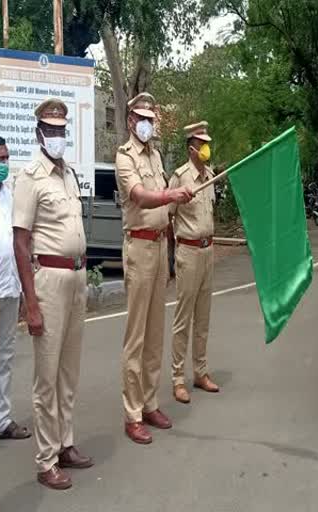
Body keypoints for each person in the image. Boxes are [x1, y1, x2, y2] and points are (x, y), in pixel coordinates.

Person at [12, 98, 92, 490]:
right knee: (46, 377)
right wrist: (31, 304)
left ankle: (65, 444)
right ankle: (45, 461)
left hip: (76, 280)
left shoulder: (69, 175)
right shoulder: (30, 177)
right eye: (52, 129)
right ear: (39, 132)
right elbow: (21, 242)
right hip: (48, 283)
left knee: (68, 373)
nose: (58, 135)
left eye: (63, 130)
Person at [115, 92, 192, 444]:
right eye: (141, 118)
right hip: (140, 247)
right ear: (131, 121)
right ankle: (132, 413)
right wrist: (171, 196)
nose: (147, 123)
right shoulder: (124, 157)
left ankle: (149, 402)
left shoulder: (157, 154)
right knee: (136, 336)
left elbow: (165, 207)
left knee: (155, 330)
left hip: (160, 246)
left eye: (151, 118)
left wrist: (178, 202)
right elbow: (140, 196)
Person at [0, 135, 31, 443]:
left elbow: (19, 240)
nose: (5, 163)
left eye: (7, 157)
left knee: (5, 356)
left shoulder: (9, 192)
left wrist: (26, 289)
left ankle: (2, 420)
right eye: (1, 158)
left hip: (10, 287)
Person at [169, 121, 220, 404]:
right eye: (201, 144)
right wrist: (169, 260)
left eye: (207, 143)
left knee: (203, 317)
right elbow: (168, 215)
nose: (206, 148)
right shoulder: (179, 177)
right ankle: (177, 378)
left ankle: (200, 371)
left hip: (208, 251)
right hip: (187, 252)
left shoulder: (209, 175)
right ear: (191, 148)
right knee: (183, 319)